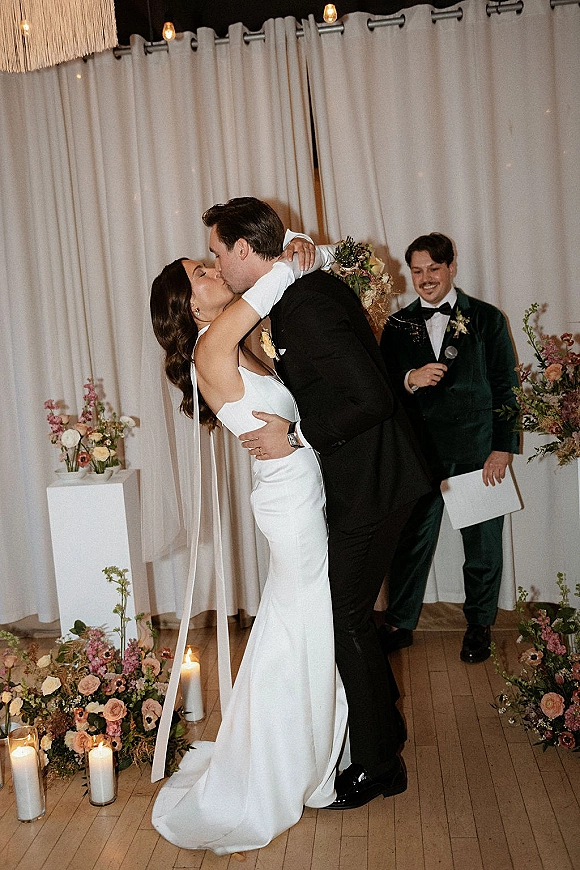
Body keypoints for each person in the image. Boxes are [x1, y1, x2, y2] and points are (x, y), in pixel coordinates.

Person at [203, 197, 432, 810]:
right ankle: (385, 728)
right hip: (367, 481)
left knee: (347, 618)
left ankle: (382, 767)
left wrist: (295, 436)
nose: (216, 263)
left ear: (246, 251)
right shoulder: (300, 289)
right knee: (347, 615)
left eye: (218, 252)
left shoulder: (303, 306)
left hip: (373, 484)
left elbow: (371, 397)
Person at [149, 251, 348, 853]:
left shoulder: (234, 342)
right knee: (307, 623)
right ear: (187, 305)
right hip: (289, 503)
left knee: (304, 624)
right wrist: (292, 259)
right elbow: (265, 292)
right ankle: (294, 763)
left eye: (208, 265)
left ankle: (309, 750)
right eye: (200, 274)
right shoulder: (211, 348)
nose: (213, 274)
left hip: (298, 485)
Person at [379, 232, 520, 664]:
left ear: (451, 268)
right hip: (420, 455)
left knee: (482, 546)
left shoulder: (487, 318)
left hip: (477, 453)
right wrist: (409, 378)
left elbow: (506, 386)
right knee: (408, 544)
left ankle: (479, 625)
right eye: (417, 271)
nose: (425, 279)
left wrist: (503, 448)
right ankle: (400, 623)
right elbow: (383, 389)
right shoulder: (397, 325)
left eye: (433, 270)